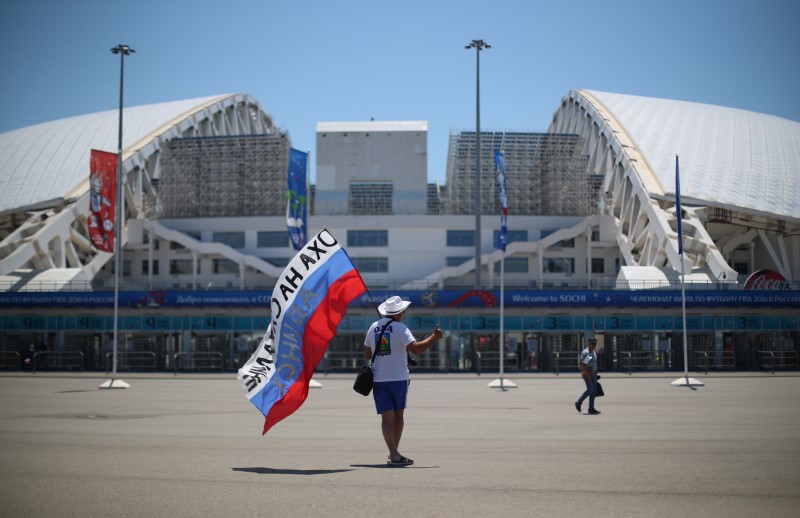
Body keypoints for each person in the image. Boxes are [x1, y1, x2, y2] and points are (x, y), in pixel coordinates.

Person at [364, 295, 443, 466]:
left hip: (378, 378)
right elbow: (416, 349)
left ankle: (394, 453)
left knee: (386, 416)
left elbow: (367, 354)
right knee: (398, 414)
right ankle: (394, 453)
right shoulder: (401, 328)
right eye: (403, 312)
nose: (404, 314)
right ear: (399, 313)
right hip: (398, 378)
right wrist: (433, 338)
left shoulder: (373, 327)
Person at [575, 337, 601, 415]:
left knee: (594, 391)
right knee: (590, 390)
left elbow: (594, 363)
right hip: (587, 374)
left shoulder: (593, 352)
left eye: (595, 344)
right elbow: (584, 364)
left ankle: (591, 408)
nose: (594, 345)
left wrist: (596, 370)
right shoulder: (587, 352)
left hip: (592, 374)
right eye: (592, 343)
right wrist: (588, 374)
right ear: (589, 343)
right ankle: (578, 402)